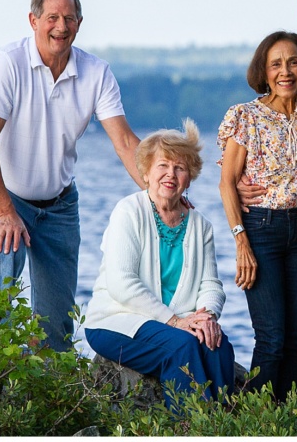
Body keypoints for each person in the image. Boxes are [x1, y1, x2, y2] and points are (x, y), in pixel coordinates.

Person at [0, 0, 145, 352]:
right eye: (52, 18)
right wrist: (6, 213)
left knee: (57, 322)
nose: (61, 26)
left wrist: (161, 191)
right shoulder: (9, 62)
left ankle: (49, 382)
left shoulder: (96, 73)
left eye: (69, 18)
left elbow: (126, 143)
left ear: (79, 23)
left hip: (58, 206)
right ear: (33, 21)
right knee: (6, 257)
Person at [84, 120, 233, 407]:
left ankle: (222, 423)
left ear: (189, 178)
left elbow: (211, 284)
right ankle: (188, 427)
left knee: (217, 344)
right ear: (146, 172)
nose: (170, 174)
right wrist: (176, 322)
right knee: (181, 346)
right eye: (162, 165)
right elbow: (122, 283)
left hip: (175, 322)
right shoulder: (128, 212)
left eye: (180, 168)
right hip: (117, 320)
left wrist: (206, 317)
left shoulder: (200, 225)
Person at [218, 31, 297, 406]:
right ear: (263, 71)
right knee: (272, 338)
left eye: (293, 62)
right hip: (262, 231)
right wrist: (241, 242)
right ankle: (256, 422)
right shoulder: (245, 116)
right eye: (276, 64)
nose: (286, 71)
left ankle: (295, 422)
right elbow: (227, 183)